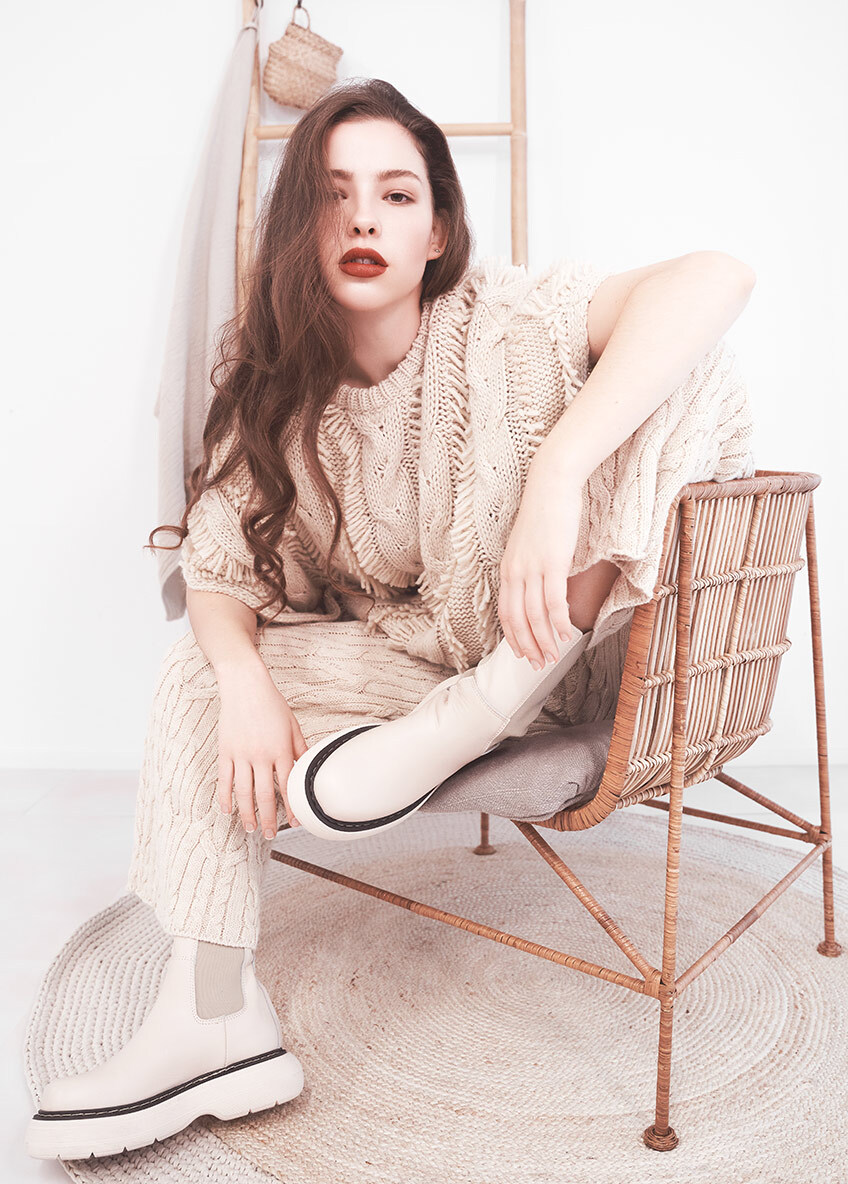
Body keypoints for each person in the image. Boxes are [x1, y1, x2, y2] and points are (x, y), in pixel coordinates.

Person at [26, 77, 757, 1160]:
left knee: (685, 375)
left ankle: (487, 707)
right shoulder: (281, 390)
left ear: (438, 230)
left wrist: (557, 471)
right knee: (202, 668)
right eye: (333, 195)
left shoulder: (510, 326)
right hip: (420, 660)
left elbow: (717, 277)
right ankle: (215, 1013)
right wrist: (244, 681)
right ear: (300, 226)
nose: (362, 219)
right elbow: (217, 562)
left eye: (396, 194)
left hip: (560, 653)